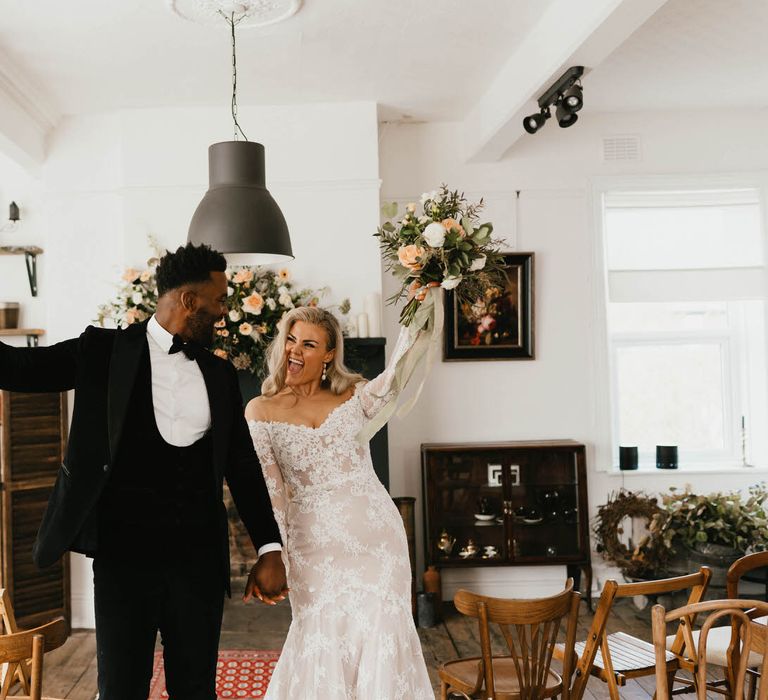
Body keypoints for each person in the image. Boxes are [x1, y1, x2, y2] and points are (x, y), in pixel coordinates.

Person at [0, 242, 287, 700]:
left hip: (197, 562)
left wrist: (270, 547)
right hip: (123, 559)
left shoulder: (219, 375)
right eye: (219, 300)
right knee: (121, 689)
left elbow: (243, 466)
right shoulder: (103, 351)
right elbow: (17, 367)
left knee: (195, 689)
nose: (224, 311)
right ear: (190, 301)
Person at [245, 306, 433, 699]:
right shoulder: (260, 411)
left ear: (329, 354)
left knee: (385, 632)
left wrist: (419, 309)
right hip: (314, 551)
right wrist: (273, 553)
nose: (294, 351)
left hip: (379, 544)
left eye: (308, 344)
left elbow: (398, 374)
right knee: (320, 635)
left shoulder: (355, 395)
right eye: (291, 340)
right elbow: (272, 494)